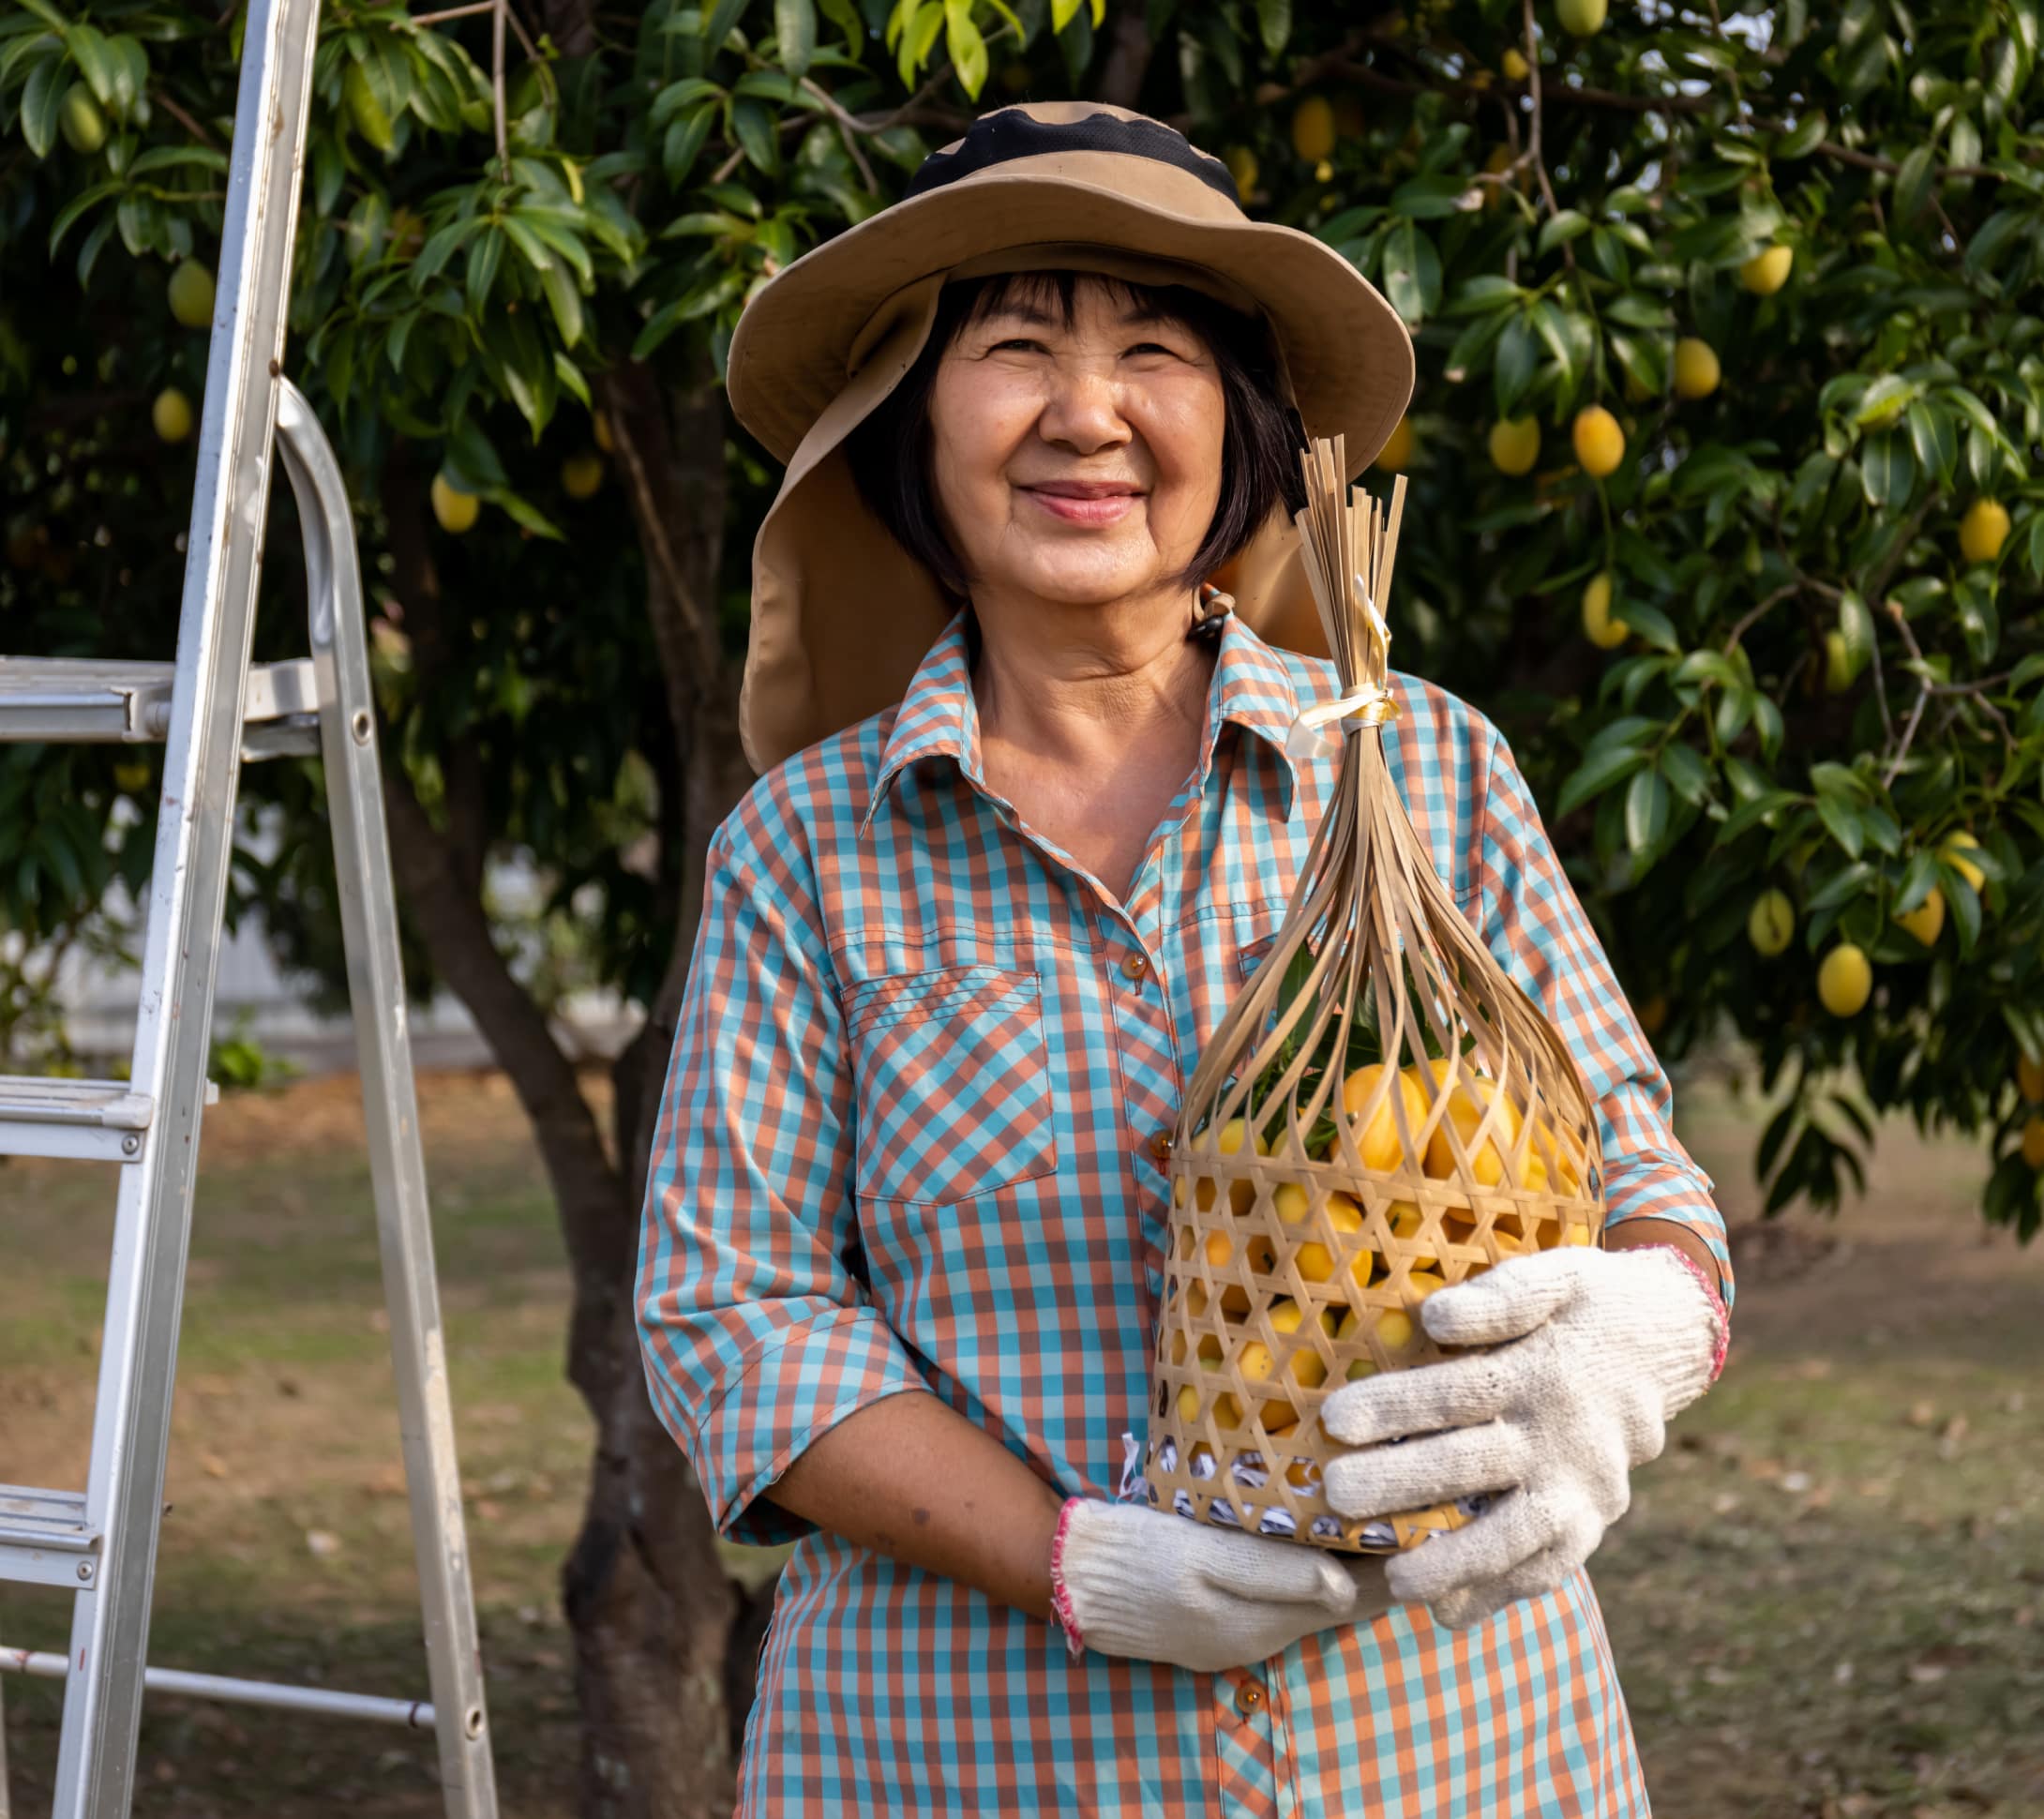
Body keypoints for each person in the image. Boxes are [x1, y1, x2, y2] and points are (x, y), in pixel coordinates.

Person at [637, 100, 1732, 1817]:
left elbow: (1646, 1183)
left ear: (1245, 429)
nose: (1091, 412)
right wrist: (1074, 1561)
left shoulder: (1424, 774)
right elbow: (732, 1318)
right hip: (964, 1755)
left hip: (1448, 1748)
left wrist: (1641, 1329)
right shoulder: (806, 854)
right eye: (1015, 349)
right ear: (913, 428)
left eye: (1156, 350)